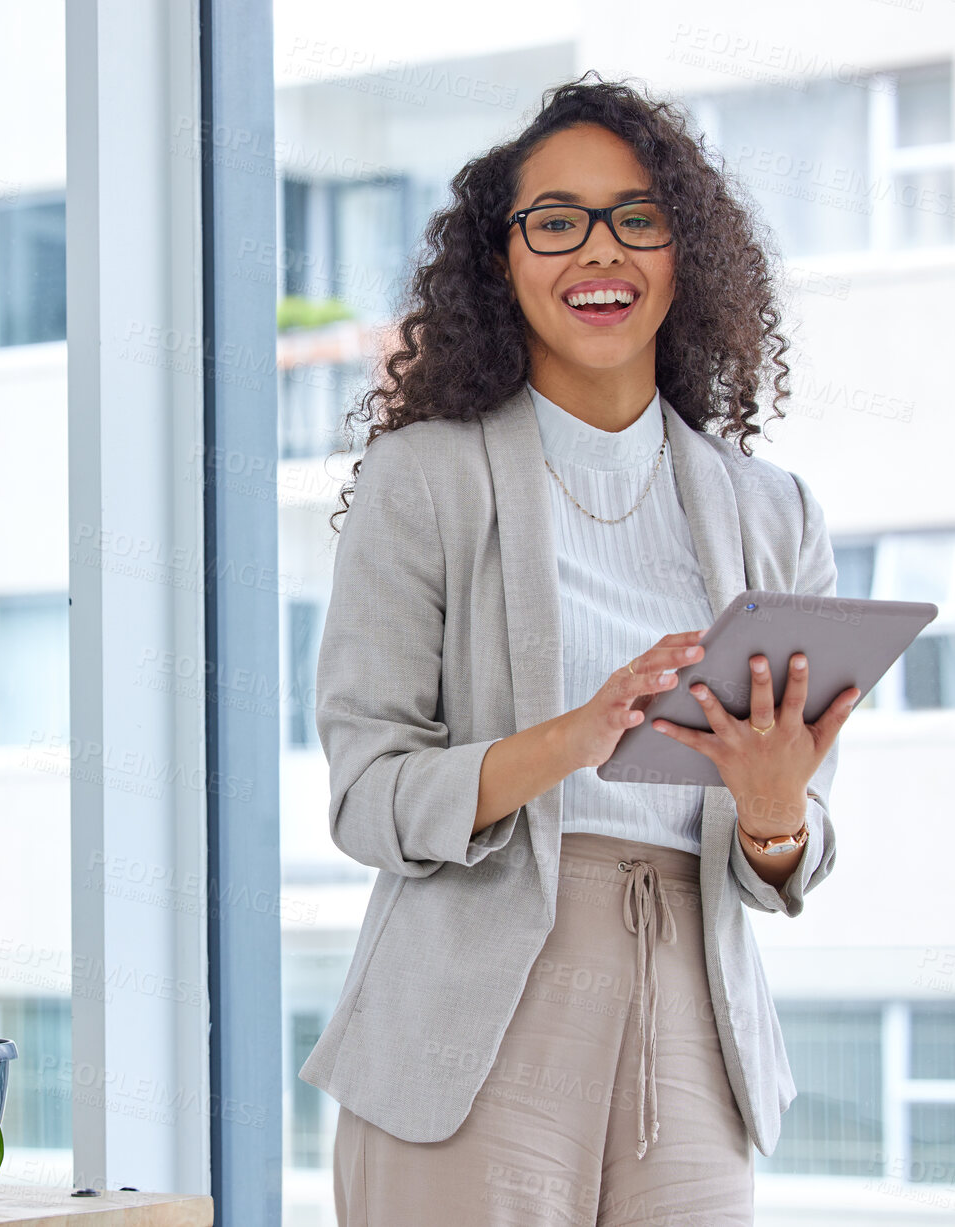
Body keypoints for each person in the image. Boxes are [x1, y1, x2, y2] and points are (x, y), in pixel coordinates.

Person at [298, 71, 860, 1225]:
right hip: (474, 1017)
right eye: (554, 222)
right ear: (501, 260)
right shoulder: (427, 481)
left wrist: (772, 814)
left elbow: (790, 853)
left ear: (680, 255)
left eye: (634, 219)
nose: (594, 253)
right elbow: (368, 799)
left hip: (694, 1021)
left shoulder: (773, 513)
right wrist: (574, 738)